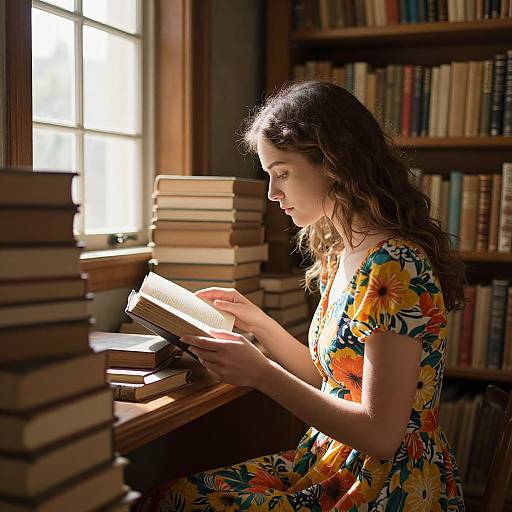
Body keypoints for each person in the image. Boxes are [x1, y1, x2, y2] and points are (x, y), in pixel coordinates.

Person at [137, 80, 466, 511]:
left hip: (387, 486)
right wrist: (258, 323)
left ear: (333, 162)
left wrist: (262, 374)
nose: (274, 194)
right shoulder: (347, 250)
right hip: (335, 465)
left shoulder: (395, 267)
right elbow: (330, 381)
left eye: (282, 174)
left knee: (171, 503)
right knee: (169, 497)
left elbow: (382, 435)